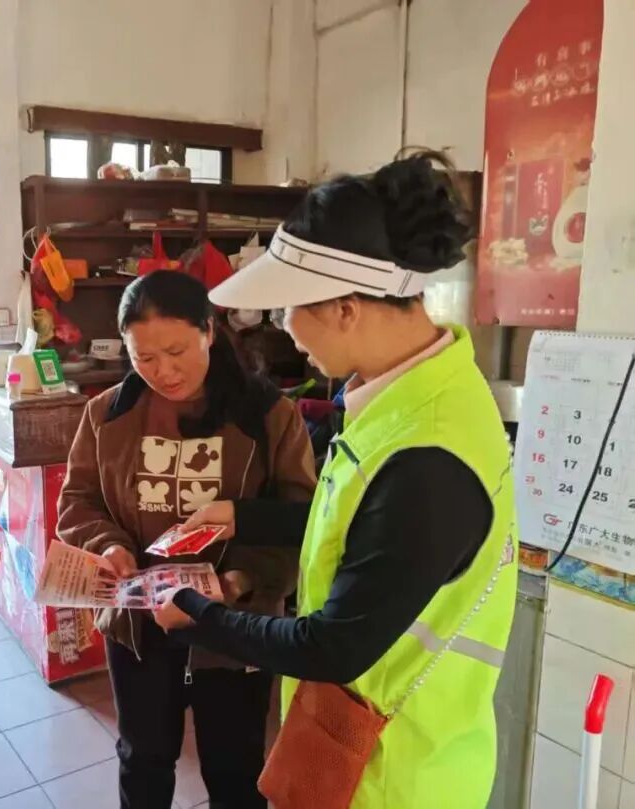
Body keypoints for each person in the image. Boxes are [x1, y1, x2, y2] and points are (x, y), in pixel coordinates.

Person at [153, 151, 517, 809]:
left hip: (395, 775)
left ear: (347, 308)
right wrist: (241, 516)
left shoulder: (429, 454)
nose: (286, 329)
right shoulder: (414, 395)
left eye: (289, 309)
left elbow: (331, 646)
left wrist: (199, 615)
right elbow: (365, 528)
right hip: (359, 746)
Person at [57, 270, 316, 809]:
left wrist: (237, 581)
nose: (164, 372)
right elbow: (77, 501)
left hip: (236, 625)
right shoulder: (107, 415)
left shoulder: (268, 415)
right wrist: (109, 545)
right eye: (144, 358)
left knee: (235, 769)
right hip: (140, 623)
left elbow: (301, 519)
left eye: (176, 351)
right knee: (143, 758)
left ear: (209, 332)